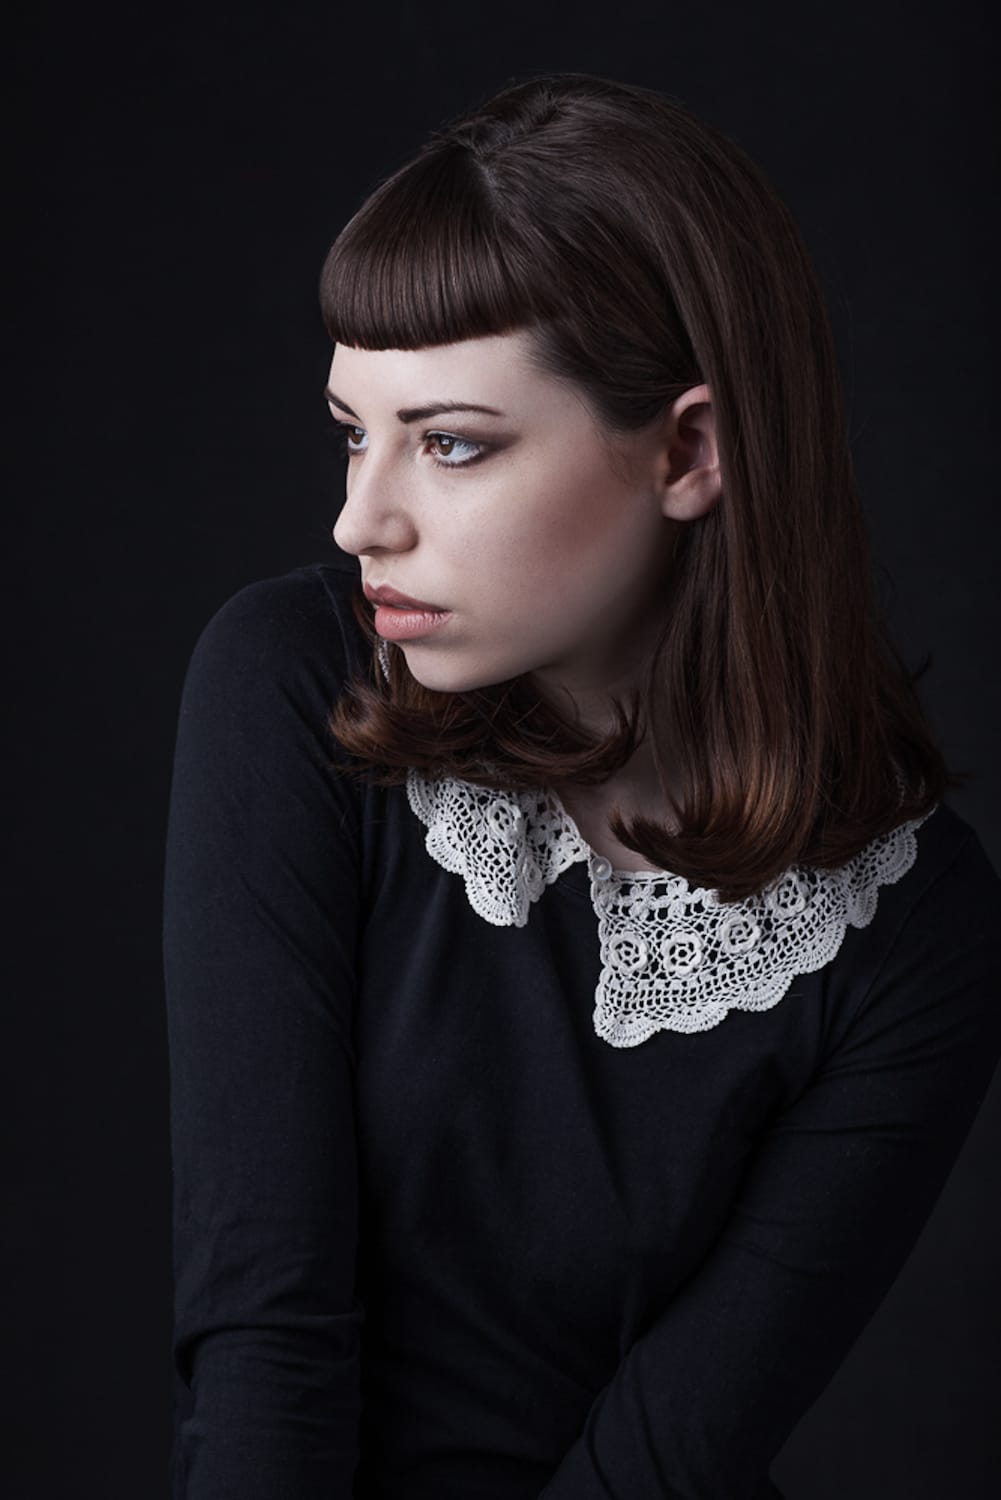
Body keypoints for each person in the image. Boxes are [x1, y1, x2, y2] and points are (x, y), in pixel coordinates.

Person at [163, 72, 1001, 1499]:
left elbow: (669, 1457)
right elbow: (265, 1338)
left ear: (689, 450)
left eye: (451, 443)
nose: (361, 518)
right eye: (354, 432)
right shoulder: (295, 680)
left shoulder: (919, 931)